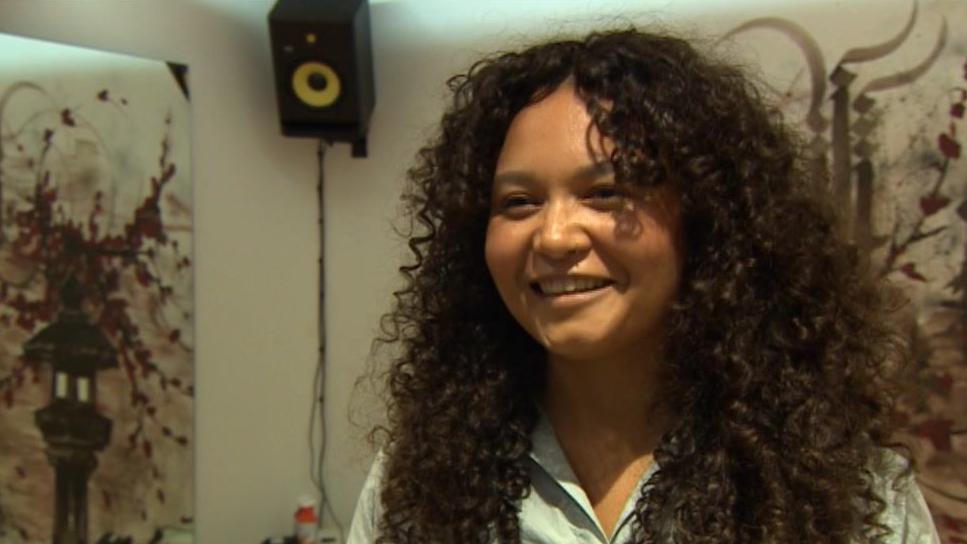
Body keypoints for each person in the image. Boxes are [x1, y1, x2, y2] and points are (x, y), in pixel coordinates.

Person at [347, 28, 941, 543]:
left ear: (707, 220)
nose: (553, 237)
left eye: (605, 193)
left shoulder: (843, 489)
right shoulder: (420, 484)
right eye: (518, 202)